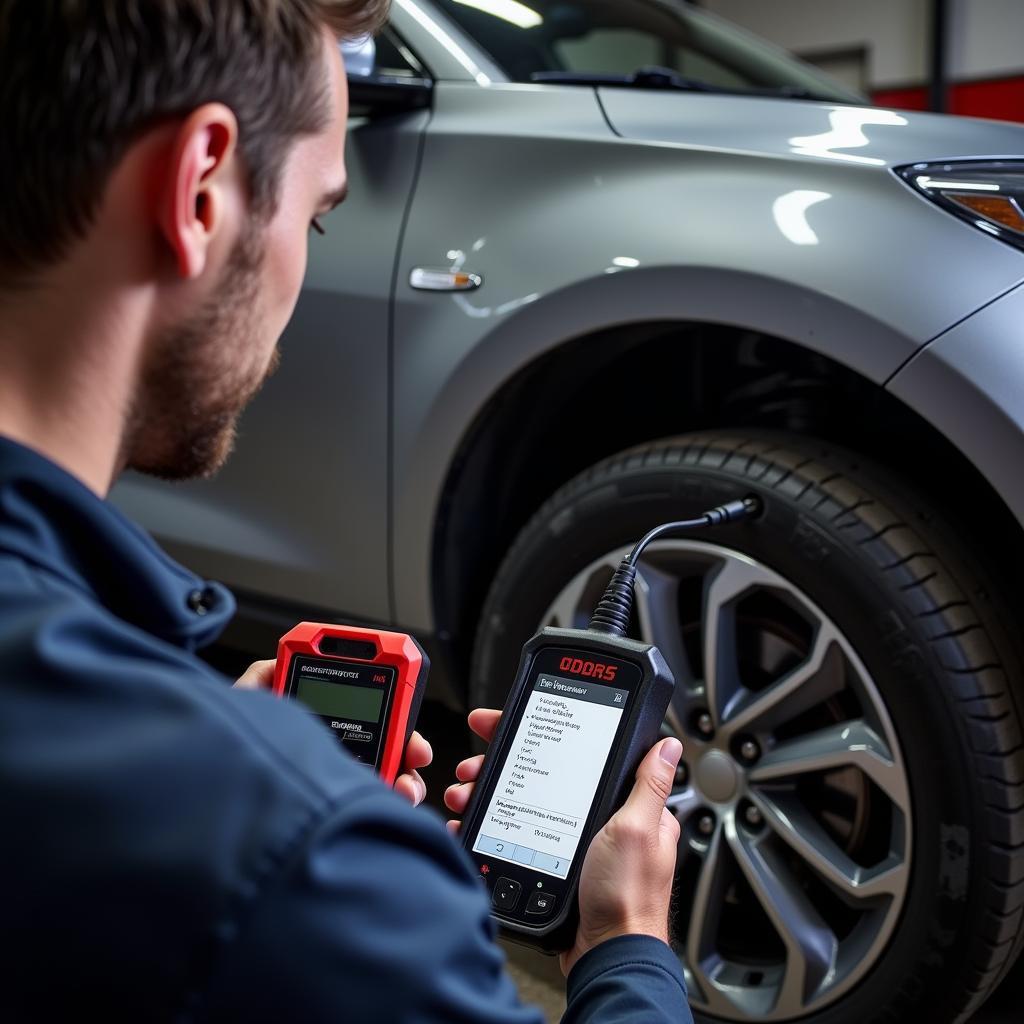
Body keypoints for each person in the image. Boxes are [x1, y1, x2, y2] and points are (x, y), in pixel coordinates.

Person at [0, 2, 693, 1021]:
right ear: (199, 188)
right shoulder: (301, 862)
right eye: (318, 217)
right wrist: (628, 950)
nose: (306, 270)